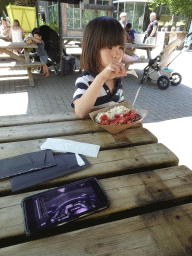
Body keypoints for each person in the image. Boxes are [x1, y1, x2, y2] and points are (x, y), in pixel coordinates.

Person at [71, 16, 127, 118]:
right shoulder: (85, 80)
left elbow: (120, 109)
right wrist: (102, 78)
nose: (117, 54)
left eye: (120, 47)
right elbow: (80, 111)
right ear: (93, 49)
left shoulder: (117, 80)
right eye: (110, 47)